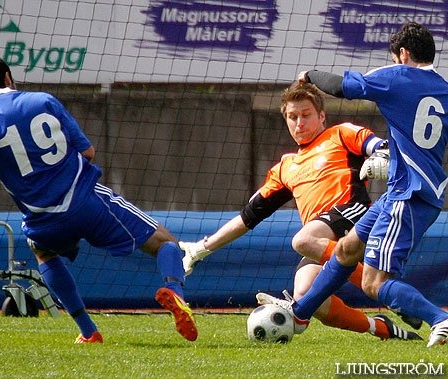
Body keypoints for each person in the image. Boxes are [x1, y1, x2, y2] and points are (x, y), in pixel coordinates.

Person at [257, 22, 448, 347]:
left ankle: (442, 318)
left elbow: (342, 86)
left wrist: (309, 74)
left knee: (374, 282)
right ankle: (300, 313)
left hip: (410, 196)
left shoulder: (394, 78)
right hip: (401, 194)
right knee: (346, 248)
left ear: (402, 53)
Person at [0, 56, 198, 343]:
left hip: (43, 220)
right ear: (8, 78)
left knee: (43, 253)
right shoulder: (43, 101)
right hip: (85, 200)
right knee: (165, 243)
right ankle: (174, 291)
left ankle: (88, 330)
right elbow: (88, 152)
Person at [180, 82, 421, 341]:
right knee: (306, 297)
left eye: (306, 115)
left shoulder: (341, 134)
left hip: (354, 214)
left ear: (321, 116)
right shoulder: (286, 167)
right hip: (321, 239)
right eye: (292, 117)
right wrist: (201, 248)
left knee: (302, 240)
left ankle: (387, 293)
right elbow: (247, 218)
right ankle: (385, 329)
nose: (299, 123)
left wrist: (382, 157)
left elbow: (380, 146)